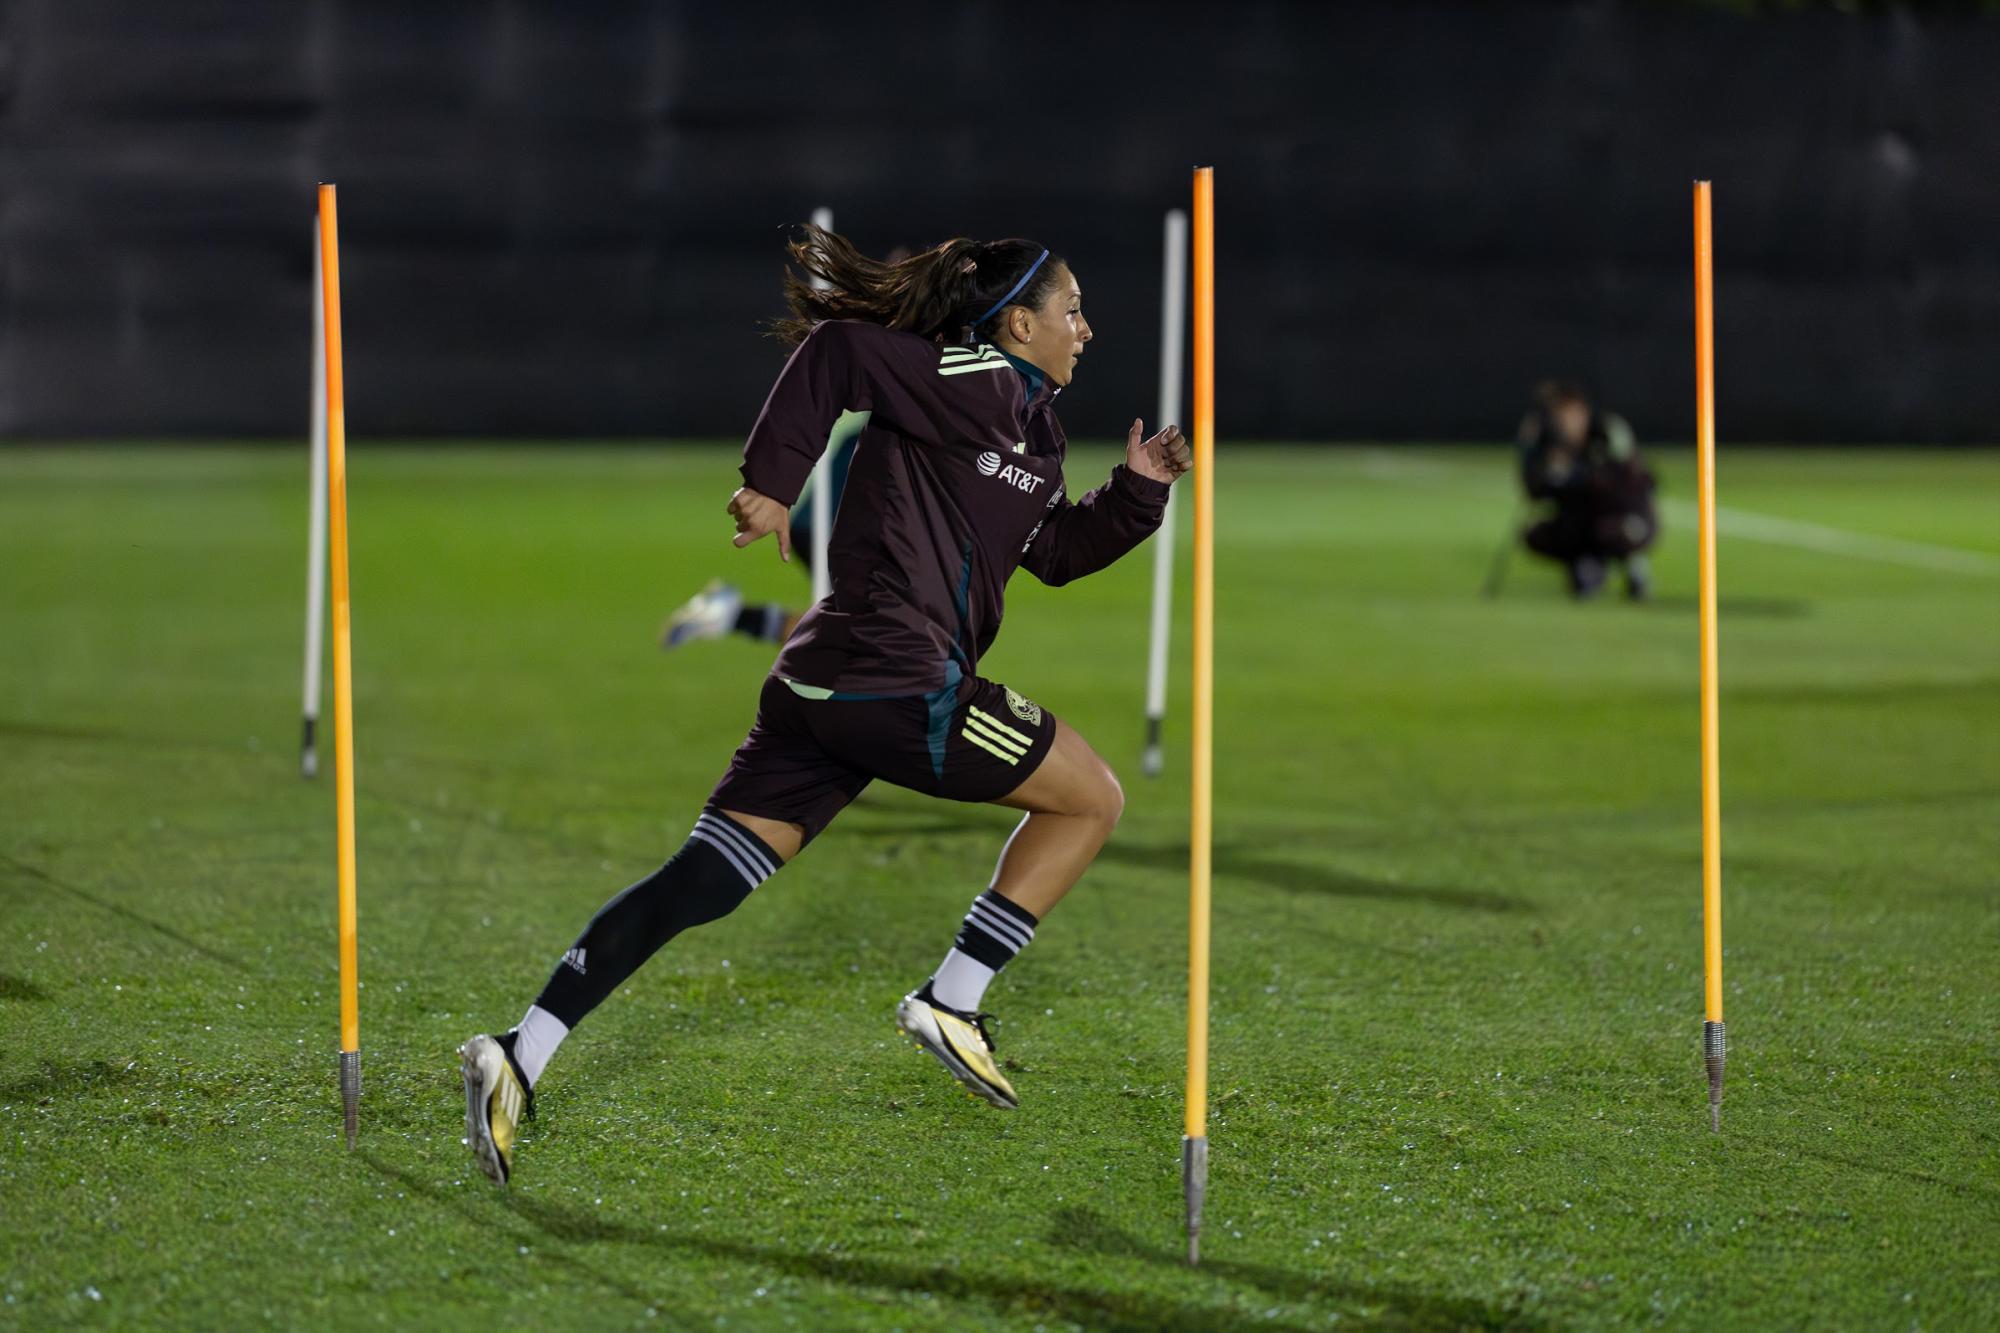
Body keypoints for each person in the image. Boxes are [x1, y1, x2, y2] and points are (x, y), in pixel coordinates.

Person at [458, 225, 1192, 1186]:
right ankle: (952, 998)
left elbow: (1049, 554)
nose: (1087, 330)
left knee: (704, 881)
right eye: (1073, 310)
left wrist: (1136, 495)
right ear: (1019, 321)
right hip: (896, 671)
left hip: (829, 679)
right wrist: (771, 485)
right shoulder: (962, 374)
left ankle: (520, 1050)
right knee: (1092, 797)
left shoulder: (1036, 430)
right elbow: (839, 351)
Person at [661, 244, 915, 651]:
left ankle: (729, 614)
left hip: (822, 519)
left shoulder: (886, 362)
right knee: (881, 639)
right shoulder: (893, 368)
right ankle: (732, 617)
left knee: (867, 636)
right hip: (836, 523)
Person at [1516, 382, 1656, 600]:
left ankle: (1631, 564)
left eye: (1571, 414)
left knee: (1611, 531)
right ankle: (1585, 566)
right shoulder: (1551, 443)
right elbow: (1534, 490)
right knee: (1540, 534)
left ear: (1583, 411)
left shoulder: (1607, 431)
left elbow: (1630, 483)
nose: (1566, 423)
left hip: (1622, 515)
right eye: (1559, 416)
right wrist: (1546, 470)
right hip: (1579, 519)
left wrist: (1580, 475)